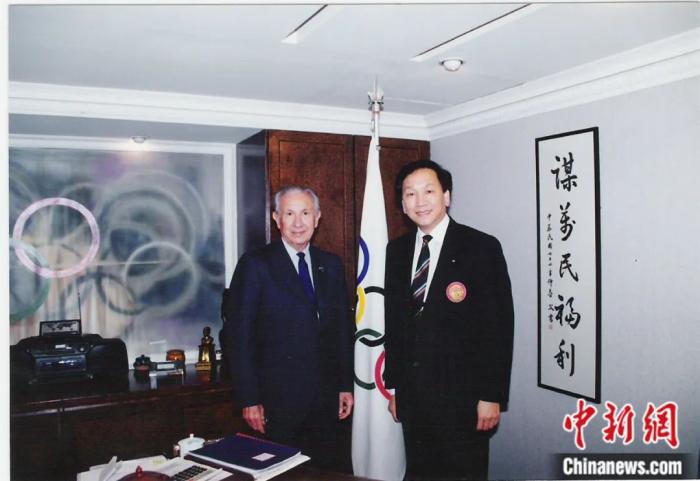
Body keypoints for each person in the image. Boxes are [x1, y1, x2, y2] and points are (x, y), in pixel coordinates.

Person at [384, 160, 514, 480]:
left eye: (428, 191)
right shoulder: (396, 251)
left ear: (447, 197)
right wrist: (396, 388)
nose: (420, 201)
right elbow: (396, 325)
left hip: (463, 400)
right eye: (410, 194)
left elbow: (498, 328)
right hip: (413, 398)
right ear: (402, 204)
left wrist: (491, 396)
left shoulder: (481, 247)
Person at [222, 185, 354, 470]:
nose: (298, 222)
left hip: (326, 401)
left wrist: (345, 385)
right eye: (289, 213)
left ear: (317, 217)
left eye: (305, 213)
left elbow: (342, 331)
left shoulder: (330, 265)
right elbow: (239, 337)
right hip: (277, 402)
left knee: (328, 472)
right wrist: (249, 398)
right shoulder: (256, 264)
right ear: (276, 218)